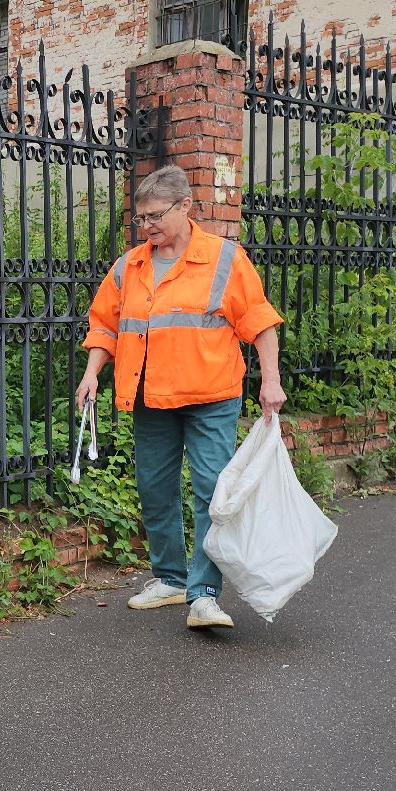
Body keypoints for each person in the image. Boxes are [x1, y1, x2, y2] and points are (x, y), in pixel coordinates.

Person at [76, 165, 286, 630]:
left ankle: (204, 594)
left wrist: (270, 380)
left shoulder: (224, 259)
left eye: (156, 216)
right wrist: (92, 373)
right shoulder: (129, 266)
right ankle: (170, 578)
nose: (147, 226)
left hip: (211, 396)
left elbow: (260, 322)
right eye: (141, 218)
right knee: (154, 489)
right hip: (150, 396)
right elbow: (105, 326)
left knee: (211, 491)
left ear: (186, 206)